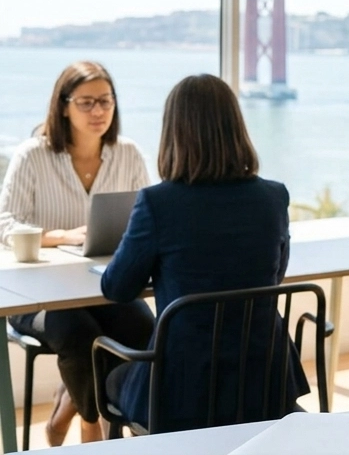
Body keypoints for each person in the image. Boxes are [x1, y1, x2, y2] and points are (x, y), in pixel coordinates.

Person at [100, 74, 307, 432]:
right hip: (265, 383)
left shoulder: (158, 204)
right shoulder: (273, 197)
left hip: (185, 391)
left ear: (173, 133)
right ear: (236, 128)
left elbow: (116, 288)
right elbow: (274, 275)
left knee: (113, 376)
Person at [0, 61, 154, 444]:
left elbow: (147, 219)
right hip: (37, 296)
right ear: (63, 105)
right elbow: (5, 224)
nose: (98, 111)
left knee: (145, 329)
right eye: (86, 103)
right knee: (77, 334)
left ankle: (73, 407)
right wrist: (63, 236)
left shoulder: (128, 153)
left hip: (104, 285)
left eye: (105, 101)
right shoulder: (32, 155)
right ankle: (94, 425)